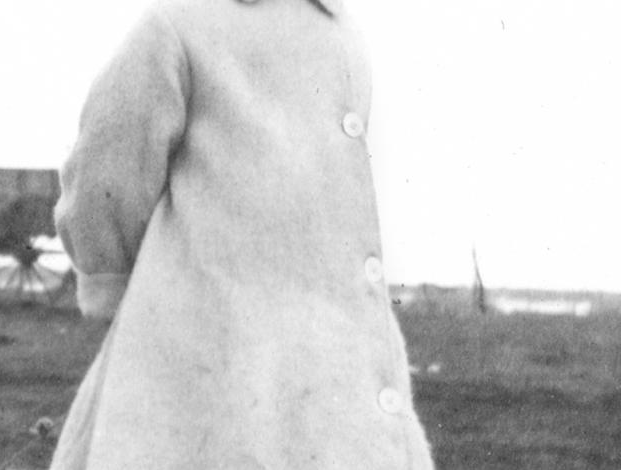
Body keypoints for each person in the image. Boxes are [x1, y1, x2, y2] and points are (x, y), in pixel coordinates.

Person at [49, 0, 436, 468]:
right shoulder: (178, 25)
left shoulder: (342, 31)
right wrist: (123, 283)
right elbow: (109, 172)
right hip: (201, 351)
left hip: (328, 361)